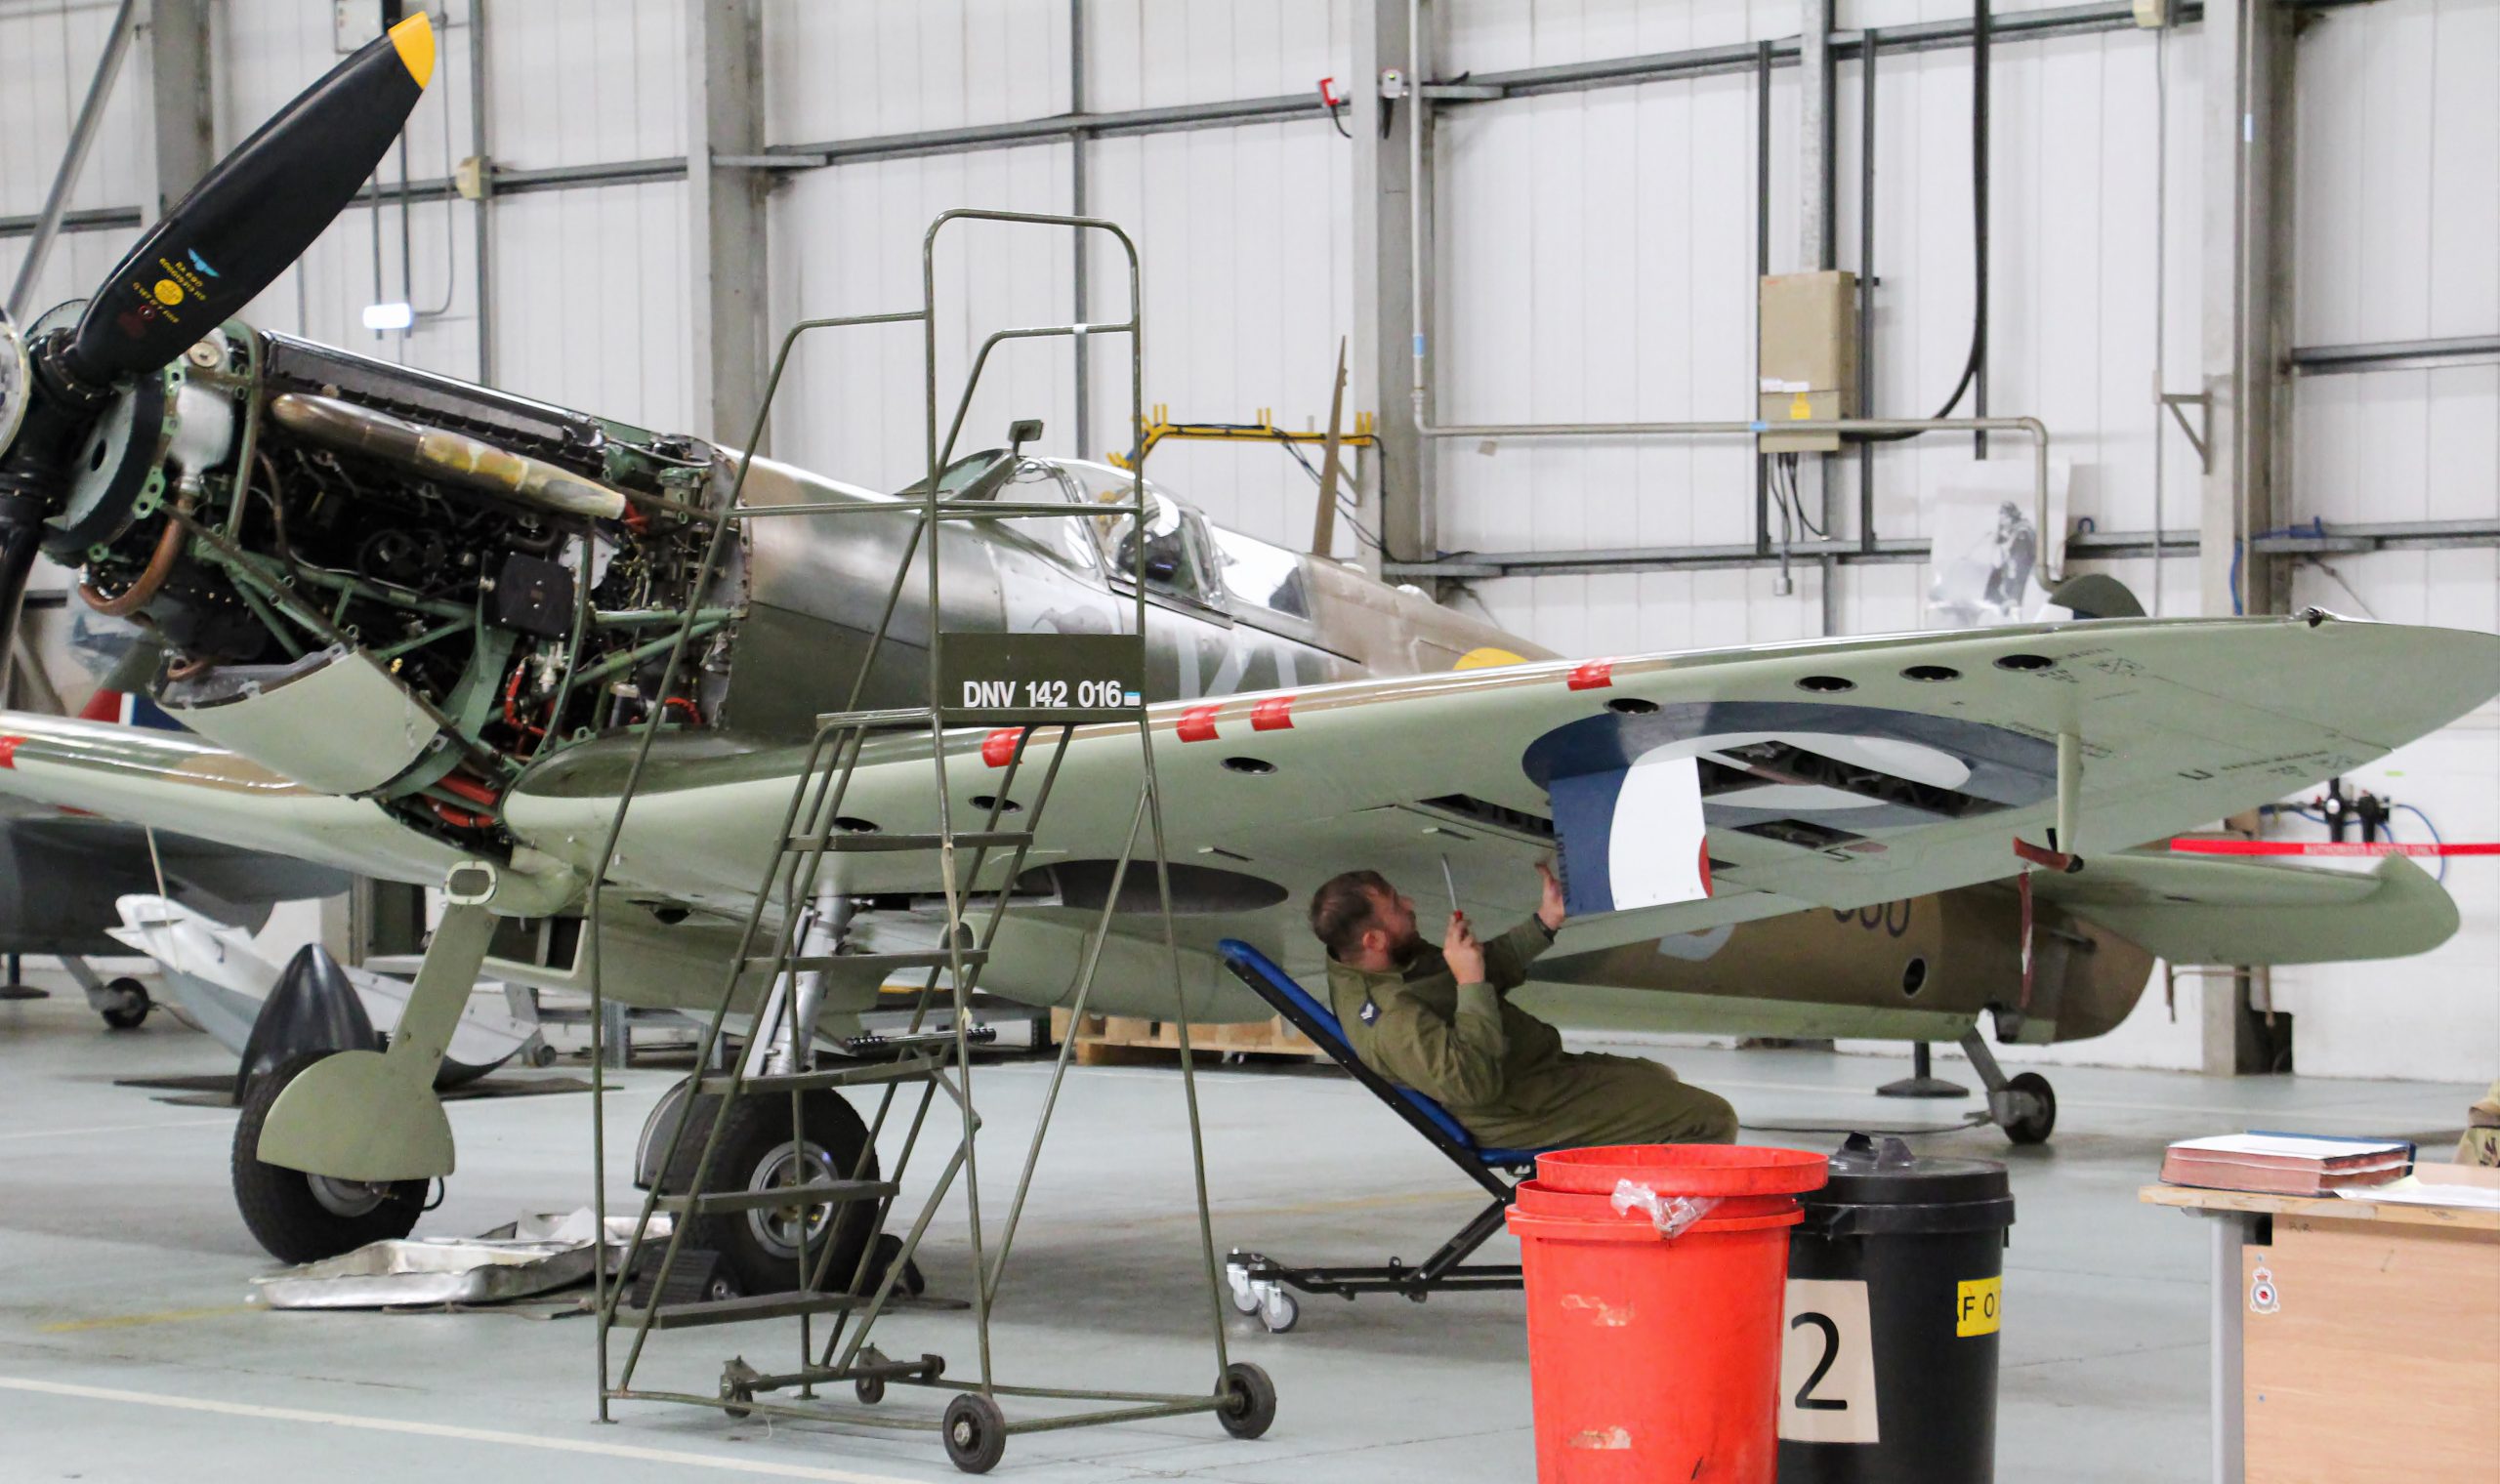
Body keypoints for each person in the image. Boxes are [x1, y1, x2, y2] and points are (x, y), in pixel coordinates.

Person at [1308, 863, 1737, 1150]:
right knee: (1709, 1118)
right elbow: (1474, 1087)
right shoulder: (1392, 1020)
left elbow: (1477, 972)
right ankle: (1668, 1226)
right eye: (1397, 907)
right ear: (1374, 941)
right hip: (1516, 1108)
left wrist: (1545, 921)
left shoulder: (1372, 959)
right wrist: (1470, 980)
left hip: (1534, 1072)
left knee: (1656, 1076)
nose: (1410, 907)